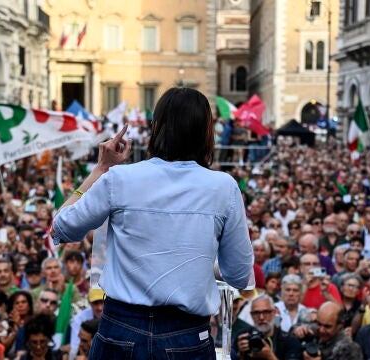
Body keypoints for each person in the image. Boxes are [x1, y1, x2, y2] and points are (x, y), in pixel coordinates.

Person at [51, 87, 253, 359]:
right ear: (207, 132)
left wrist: (101, 169)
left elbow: (61, 227)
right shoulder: (224, 188)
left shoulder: (119, 179)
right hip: (187, 335)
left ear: (156, 127)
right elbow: (239, 275)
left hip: (121, 329)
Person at [232, 294, 302, 360]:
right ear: (251, 315)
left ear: (274, 312)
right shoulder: (242, 337)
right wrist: (240, 355)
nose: (261, 317)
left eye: (266, 312)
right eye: (256, 313)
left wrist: (270, 356)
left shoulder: (290, 341)